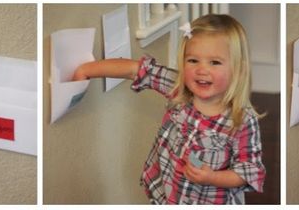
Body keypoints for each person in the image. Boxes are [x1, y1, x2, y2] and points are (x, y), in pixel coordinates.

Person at [72, 13, 266, 204]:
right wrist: (86, 70)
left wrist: (211, 177)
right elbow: (134, 70)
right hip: (168, 193)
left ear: (238, 68)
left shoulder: (242, 120)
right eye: (193, 60)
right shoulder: (178, 89)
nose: (202, 70)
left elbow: (247, 171)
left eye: (215, 62)